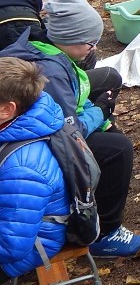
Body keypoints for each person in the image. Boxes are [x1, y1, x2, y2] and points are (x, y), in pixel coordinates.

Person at [0, 0, 140, 257]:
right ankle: (105, 233)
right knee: (118, 148)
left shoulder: (41, 43)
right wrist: (100, 111)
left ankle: (102, 184)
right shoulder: (53, 74)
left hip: (35, 123)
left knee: (109, 79)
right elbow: (70, 131)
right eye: (89, 43)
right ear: (69, 39)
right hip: (39, 140)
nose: (94, 48)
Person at [0, 59, 71, 281]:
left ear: (6, 109)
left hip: (29, 244)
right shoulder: (18, 119)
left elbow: (12, 245)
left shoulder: (23, 167)